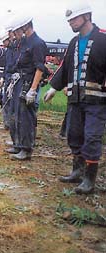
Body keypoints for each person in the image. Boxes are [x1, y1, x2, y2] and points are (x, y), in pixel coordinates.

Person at [45, 1, 106, 194]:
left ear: (87, 16)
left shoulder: (103, 39)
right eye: (69, 20)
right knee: (74, 134)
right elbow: (64, 68)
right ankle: (77, 171)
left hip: (97, 100)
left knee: (92, 137)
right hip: (75, 99)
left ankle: (89, 178)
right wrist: (54, 87)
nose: (71, 23)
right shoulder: (73, 42)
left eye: (74, 19)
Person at [7, 15, 47, 160]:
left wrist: (33, 89)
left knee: (26, 116)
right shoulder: (24, 42)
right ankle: (18, 144)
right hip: (20, 80)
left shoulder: (37, 43)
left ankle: (26, 149)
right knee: (17, 114)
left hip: (29, 82)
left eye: (17, 30)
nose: (15, 33)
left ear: (26, 27)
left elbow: (40, 68)